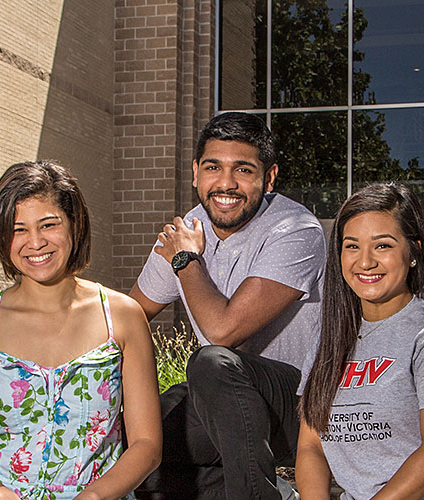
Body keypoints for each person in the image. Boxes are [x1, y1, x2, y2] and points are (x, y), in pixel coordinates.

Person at [129, 112, 326, 500]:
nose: (226, 183)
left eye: (243, 170)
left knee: (212, 361)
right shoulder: (191, 225)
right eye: (213, 167)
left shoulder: (296, 230)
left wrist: (186, 261)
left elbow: (223, 331)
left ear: (268, 178)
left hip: (297, 409)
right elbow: (128, 317)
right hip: (224, 406)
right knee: (137, 449)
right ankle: (278, 494)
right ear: (195, 172)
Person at [0, 161, 161, 500]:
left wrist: (91, 498)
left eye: (48, 225)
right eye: (18, 230)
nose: (35, 242)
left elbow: (147, 446)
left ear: (74, 225)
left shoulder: (122, 317)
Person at [294, 183, 424, 500]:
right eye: (352, 246)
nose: (365, 261)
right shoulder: (328, 338)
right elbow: (311, 444)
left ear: (414, 251)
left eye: (383, 246)